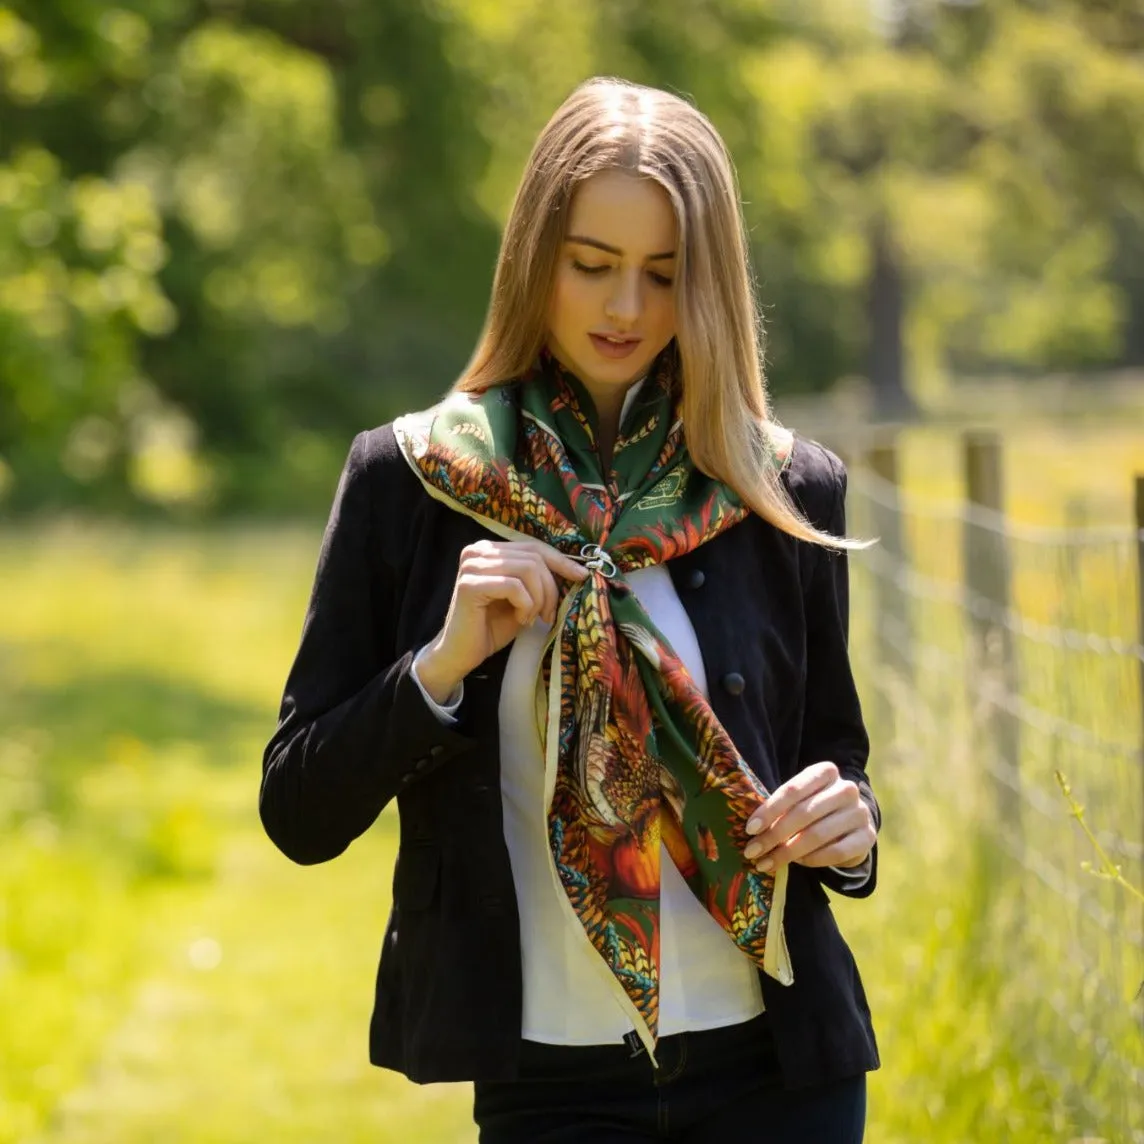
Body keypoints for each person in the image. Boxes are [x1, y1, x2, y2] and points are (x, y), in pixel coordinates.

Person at [260, 76, 881, 1143]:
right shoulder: (411, 483)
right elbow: (299, 812)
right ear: (534, 255)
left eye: (664, 274)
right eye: (592, 265)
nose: (625, 308)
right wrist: (439, 669)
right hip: (550, 1084)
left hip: (782, 1069)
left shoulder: (780, 487)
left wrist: (851, 831)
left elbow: (836, 761)